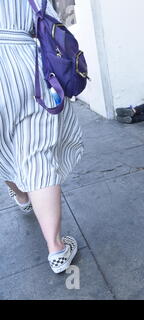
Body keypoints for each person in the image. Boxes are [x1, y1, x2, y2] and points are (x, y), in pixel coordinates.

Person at [0, 1, 84, 273]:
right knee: (37, 152)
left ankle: (22, 198)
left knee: (4, 147)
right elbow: (46, 19)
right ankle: (56, 249)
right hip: (23, 64)